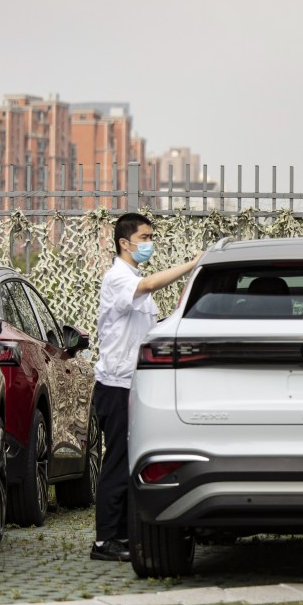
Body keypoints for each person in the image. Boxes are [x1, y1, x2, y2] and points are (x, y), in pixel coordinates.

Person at [90, 213, 202, 561]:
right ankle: (104, 541)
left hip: (133, 385)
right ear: (125, 242)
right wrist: (193, 264)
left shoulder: (131, 277)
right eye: (144, 237)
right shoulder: (118, 279)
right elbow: (150, 286)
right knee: (117, 462)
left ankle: (121, 536)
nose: (149, 242)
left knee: (129, 463)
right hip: (116, 385)